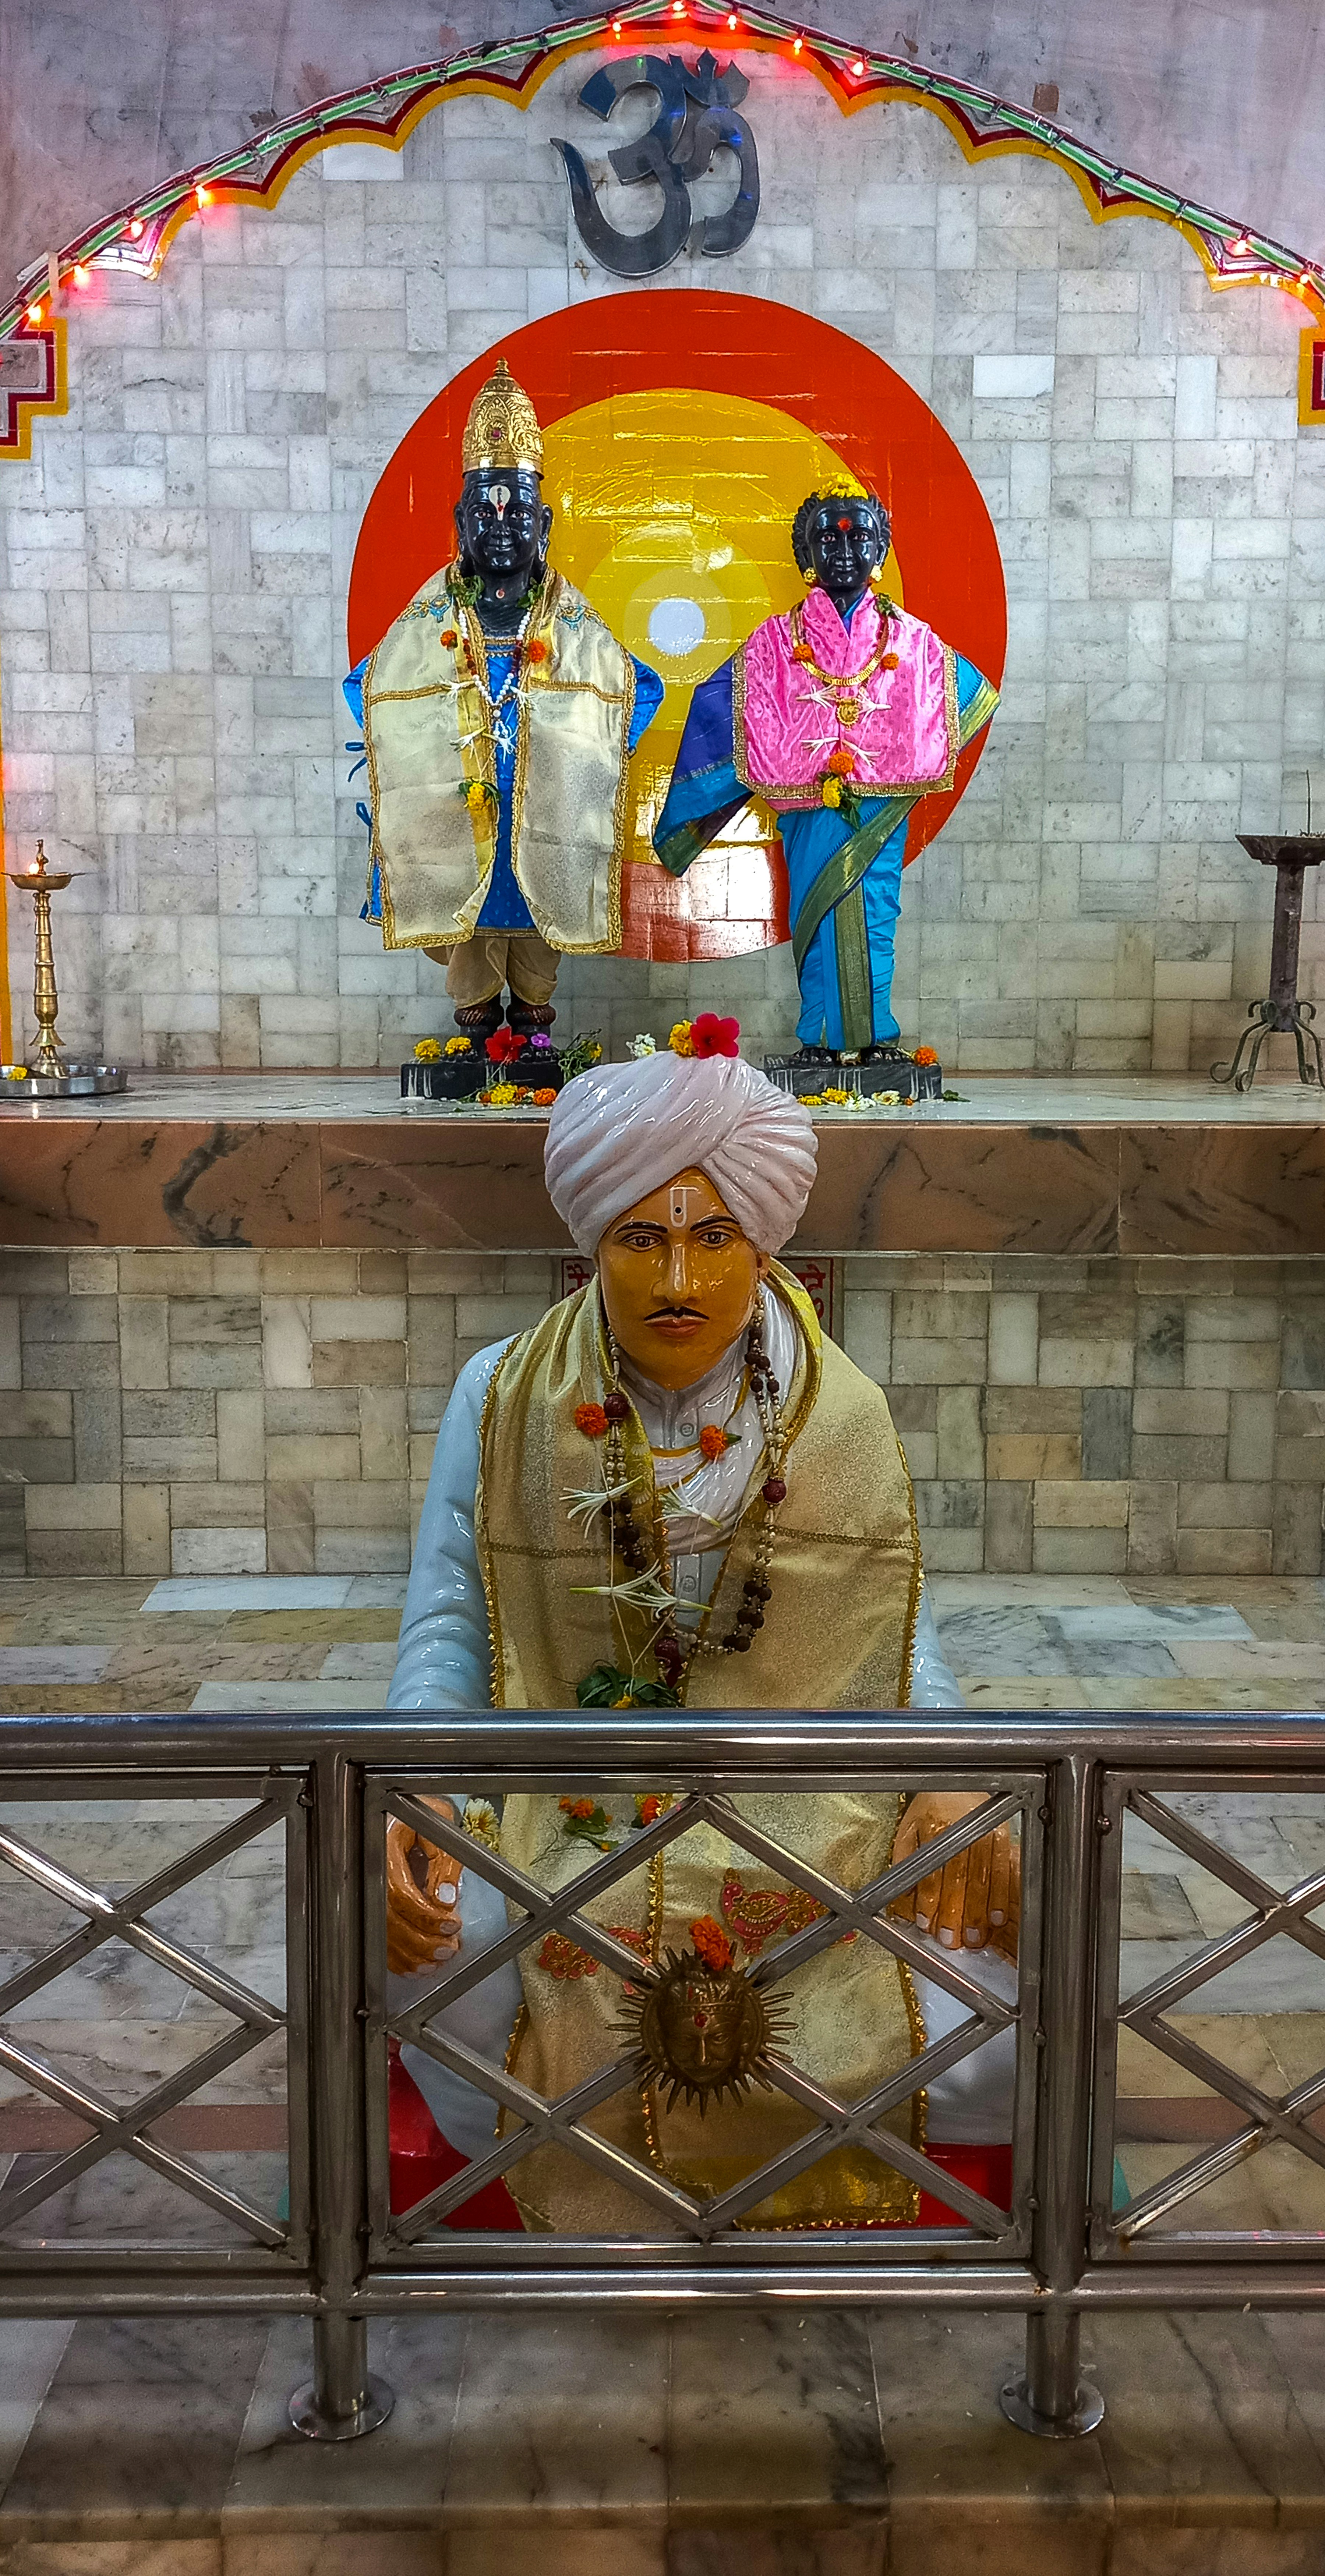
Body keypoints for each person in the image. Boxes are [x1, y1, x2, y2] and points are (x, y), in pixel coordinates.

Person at [385, 1025, 1018, 2230]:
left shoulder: (841, 1414)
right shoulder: (501, 1395)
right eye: (643, 1237)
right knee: (427, 1955)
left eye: (714, 1237)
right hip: (567, 1803)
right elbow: (449, 1627)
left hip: (806, 1810)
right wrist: (414, 1796)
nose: (680, 1278)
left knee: (989, 1961)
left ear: (763, 1240)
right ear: (592, 1247)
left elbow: (901, 1635)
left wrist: (944, 1785)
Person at [347, 358, 662, 1041]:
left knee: (537, 922)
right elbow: (366, 688)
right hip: (458, 805)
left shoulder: (572, 621)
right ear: (460, 521)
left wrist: (586, 755)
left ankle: (534, 1031)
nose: (500, 523)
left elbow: (639, 688)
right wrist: (422, 742)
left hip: (543, 803)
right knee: (469, 920)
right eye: (485, 508)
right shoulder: (428, 619)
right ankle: (474, 1029)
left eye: (517, 508)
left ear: (544, 524)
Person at [654, 486, 999, 1067]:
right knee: (812, 919)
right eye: (828, 537)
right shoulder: (774, 641)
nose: (844, 549)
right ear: (805, 554)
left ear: (881, 550)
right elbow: (720, 710)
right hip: (809, 810)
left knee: (876, 915)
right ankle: (818, 1040)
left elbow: (965, 689)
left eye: (859, 536)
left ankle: (875, 1039)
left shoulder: (911, 640)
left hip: (878, 810)